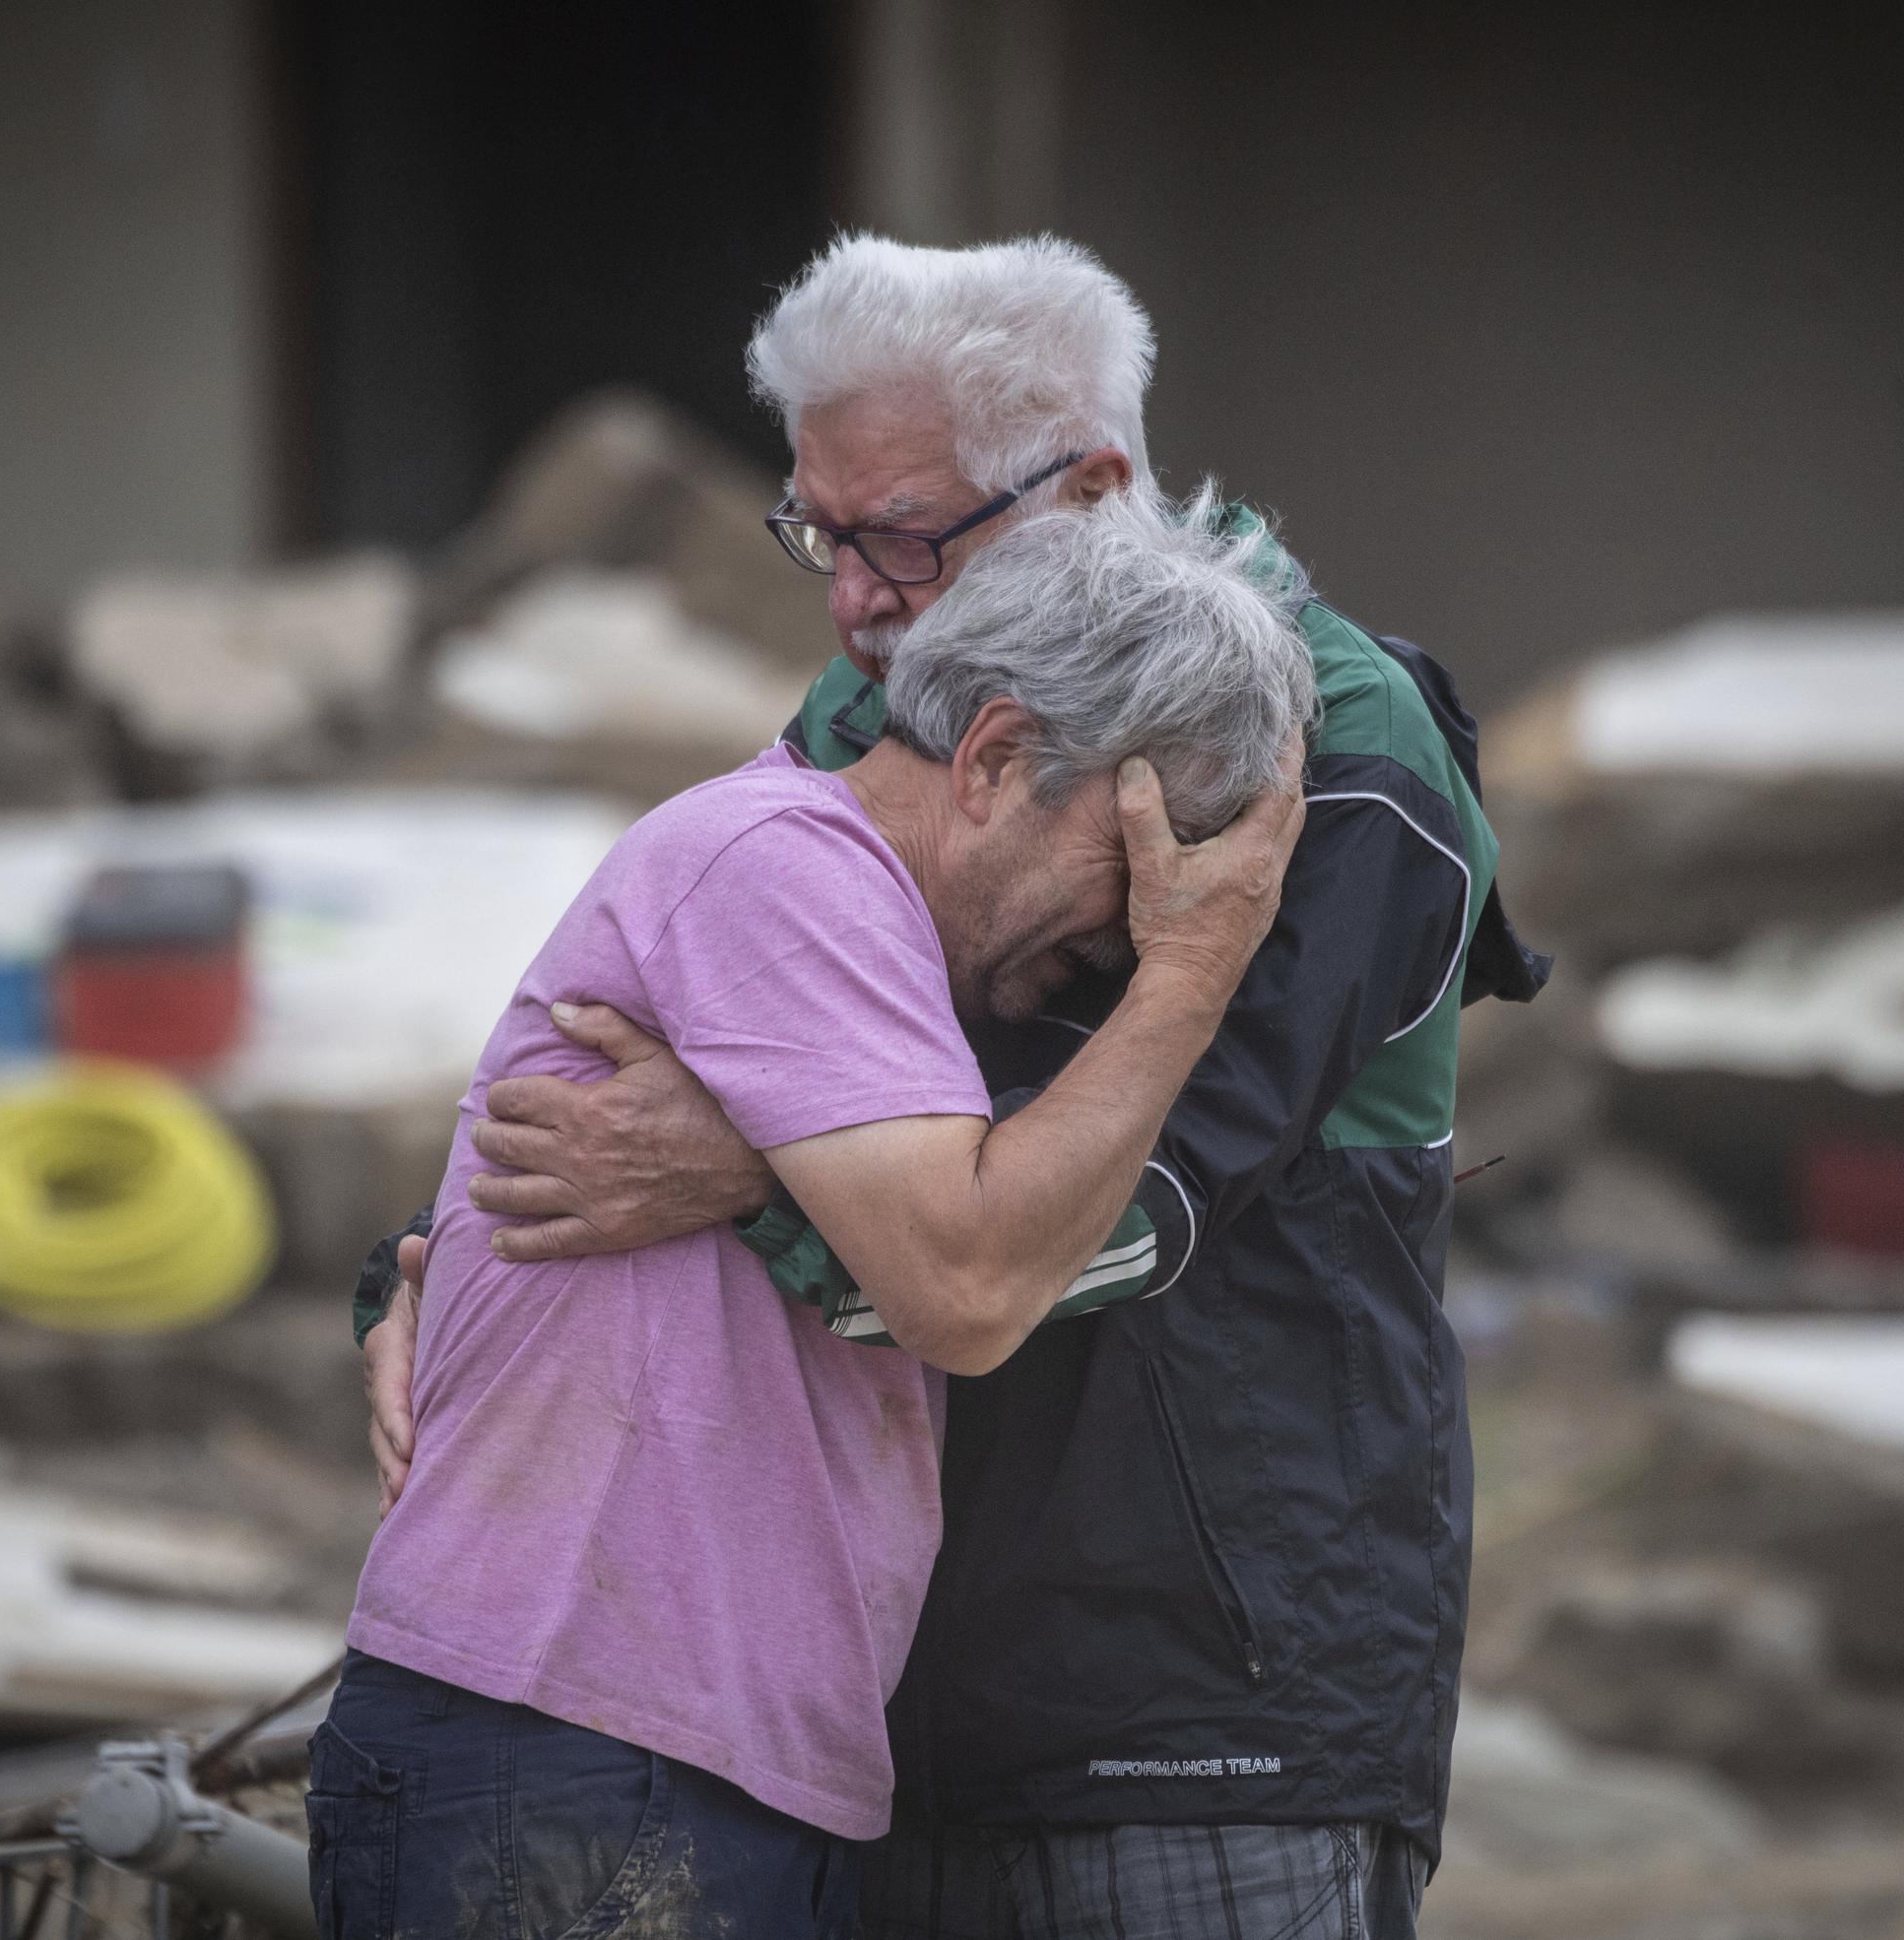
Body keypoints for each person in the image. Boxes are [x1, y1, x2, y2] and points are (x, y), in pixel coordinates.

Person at [355, 235, 1547, 1939]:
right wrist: (453, 1254)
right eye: (819, 532)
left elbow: (1116, 1200)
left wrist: (741, 1163)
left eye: (901, 535)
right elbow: (676, 1026)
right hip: (871, 1718)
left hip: (1206, 1720)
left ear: (1094, 485)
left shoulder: (1325, 746)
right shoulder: (873, 710)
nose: (851, 594)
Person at [311, 492, 1312, 1940]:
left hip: (675, 1762)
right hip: (584, 1750)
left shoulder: (862, 931)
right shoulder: (789, 869)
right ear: (998, 756)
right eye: (1135, 861)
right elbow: (967, 1285)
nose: (1129, 926)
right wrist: (1194, 969)